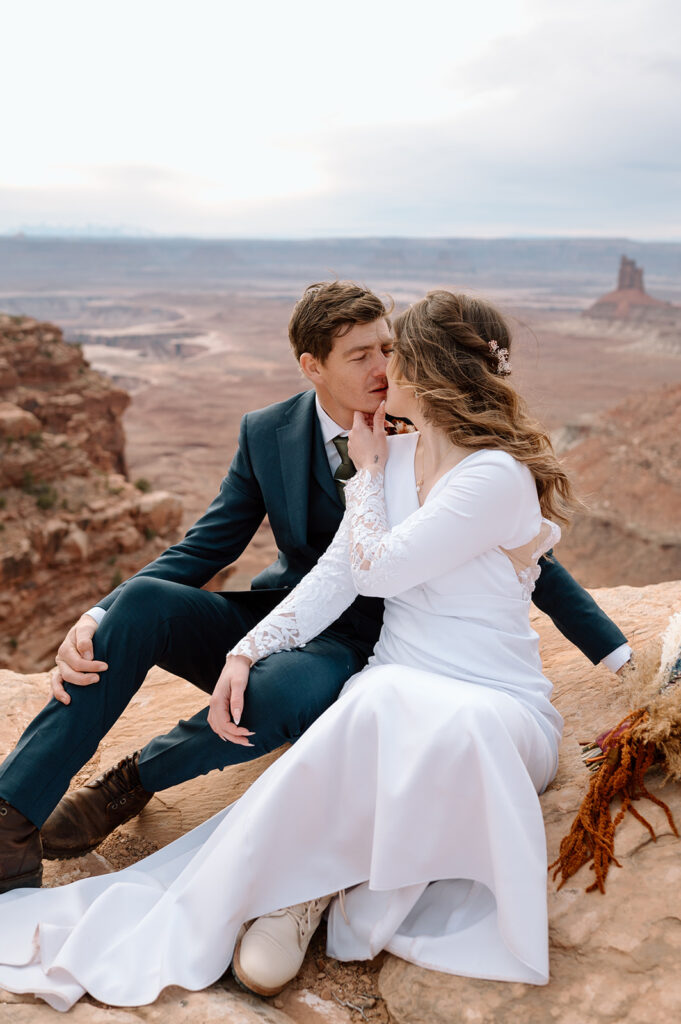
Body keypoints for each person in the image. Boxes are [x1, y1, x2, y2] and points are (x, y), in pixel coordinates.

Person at [0, 290, 626, 1009]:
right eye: (362, 355)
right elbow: (221, 547)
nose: (383, 367)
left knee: (321, 697)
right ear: (312, 366)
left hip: (367, 652)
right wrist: (103, 615)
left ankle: (168, 791)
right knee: (141, 606)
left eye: (392, 350)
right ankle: (11, 817)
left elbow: (523, 564)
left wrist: (617, 656)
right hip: (302, 619)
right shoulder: (281, 434)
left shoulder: (461, 465)